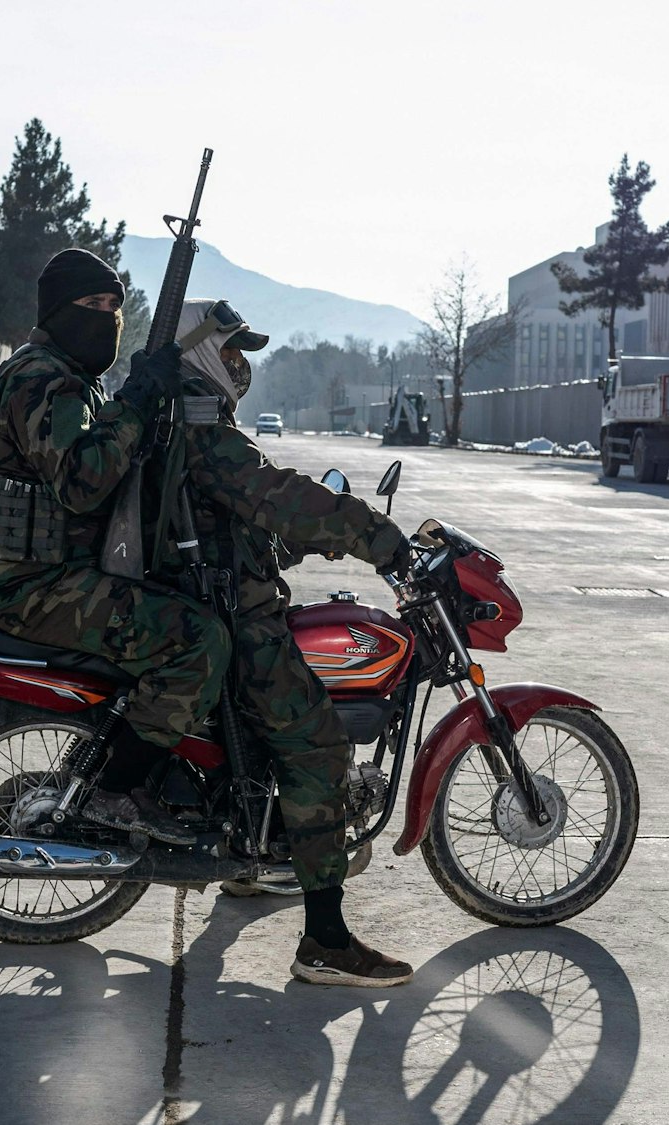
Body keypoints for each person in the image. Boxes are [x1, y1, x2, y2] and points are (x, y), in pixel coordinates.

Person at [95, 298, 416, 987]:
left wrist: (291, 542)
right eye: (234, 349)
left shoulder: (184, 422)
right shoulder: (204, 431)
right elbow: (279, 494)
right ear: (205, 354)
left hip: (220, 597)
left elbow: (246, 517)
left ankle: (253, 856)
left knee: (272, 736)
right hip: (237, 618)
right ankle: (325, 941)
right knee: (318, 746)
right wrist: (378, 538)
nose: (243, 364)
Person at [0, 248, 228, 846]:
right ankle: (114, 790)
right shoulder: (41, 378)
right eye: (92, 305)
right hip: (33, 588)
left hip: (59, 574)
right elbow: (83, 480)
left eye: (114, 306)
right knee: (197, 641)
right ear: (59, 311)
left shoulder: (72, 378)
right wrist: (134, 401)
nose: (106, 317)